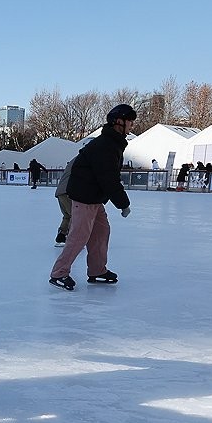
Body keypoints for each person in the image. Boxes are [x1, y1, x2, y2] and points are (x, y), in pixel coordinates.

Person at [49, 104, 135, 289]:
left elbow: (108, 177)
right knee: (79, 236)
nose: (131, 125)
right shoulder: (105, 145)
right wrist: (123, 203)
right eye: (130, 121)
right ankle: (59, 274)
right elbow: (108, 178)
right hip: (84, 196)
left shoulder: (112, 143)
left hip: (94, 198)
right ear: (118, 122)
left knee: (101, 232)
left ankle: (97, 270)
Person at [54, 157, 75, 245]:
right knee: (74, 216)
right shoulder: (83, 160)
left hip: (60, 191)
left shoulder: (73, 161)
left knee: (67, 215)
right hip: (67, 191)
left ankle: (61, 235)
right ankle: (73, 239)